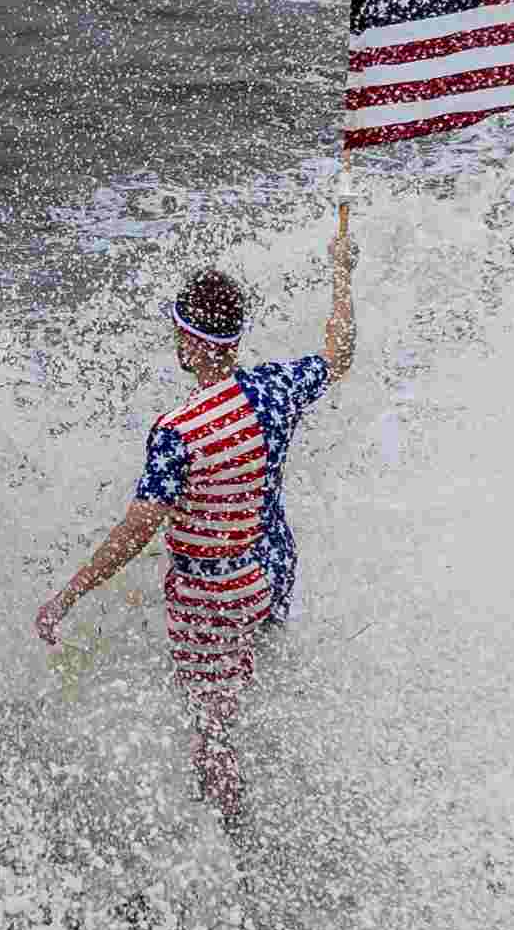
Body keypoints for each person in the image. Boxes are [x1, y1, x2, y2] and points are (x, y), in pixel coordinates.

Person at [35, 204, 357, 834]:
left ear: (187, 340)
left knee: (212, 725)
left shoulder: (176, 432)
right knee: (250, 664)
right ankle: (256, 705)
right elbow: (338, 354)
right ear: (234, 339)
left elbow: (136, 530)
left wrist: (67, 594)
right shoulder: (274, 389)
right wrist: (342, 273)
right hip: (268, 573)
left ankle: (231, 830)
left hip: (209, 594)